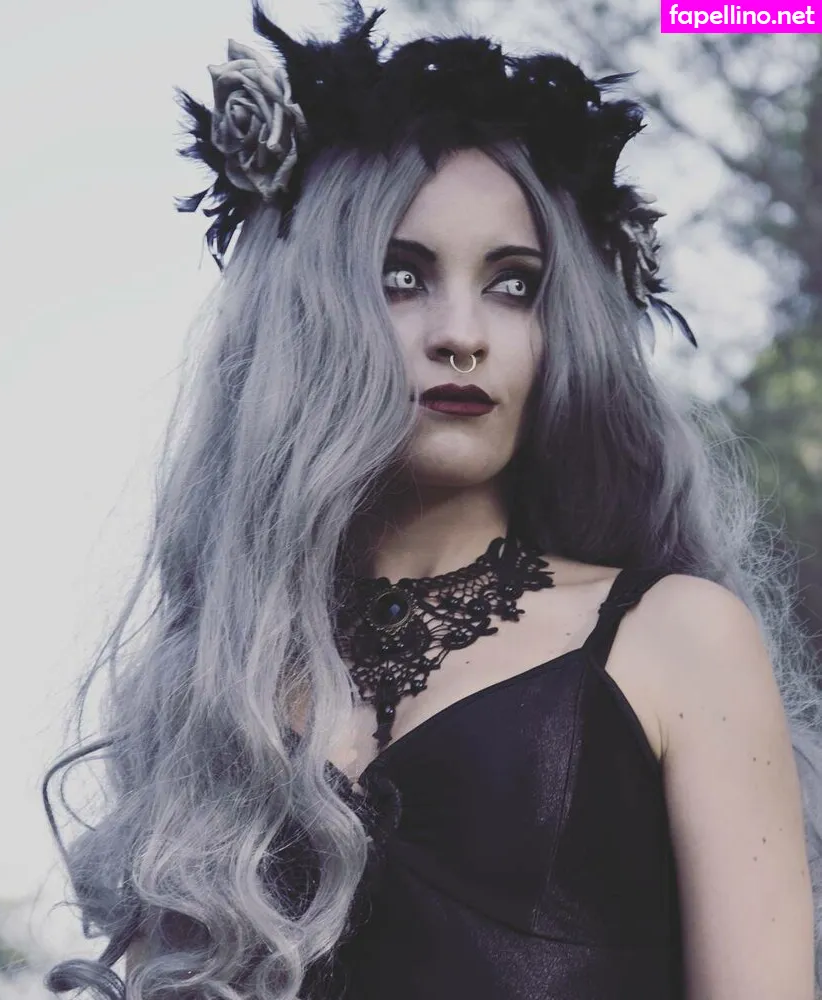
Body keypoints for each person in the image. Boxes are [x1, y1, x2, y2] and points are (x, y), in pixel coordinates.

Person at [41, 2, 822, 997]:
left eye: (513, 285)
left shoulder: (674, 637)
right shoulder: (213, 702)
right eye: (402, 276)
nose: (462, 332)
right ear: (309, 314)